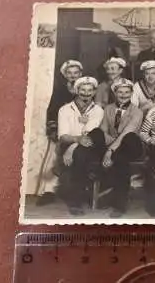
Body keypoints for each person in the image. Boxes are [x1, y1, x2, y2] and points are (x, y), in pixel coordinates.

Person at [38, 60, 83, 206]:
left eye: (76, 73)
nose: (73, 76)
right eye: (69, 73)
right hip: (61, 129)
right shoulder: (59, 91)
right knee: (53, 156)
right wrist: (53, 129)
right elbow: (51, 111)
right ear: (65, 75)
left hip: (79, 131)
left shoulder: (86, 89)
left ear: (81, 74)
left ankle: (75, 192)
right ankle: (48, 191)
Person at [57, 77, 105, 216]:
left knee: (97, 134)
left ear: (94, 92)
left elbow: (90, 134)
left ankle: (76, 200)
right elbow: (63, 136)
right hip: (73, 146)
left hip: (90, 146)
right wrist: (74, 143)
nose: (86, 93)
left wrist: (72, 149)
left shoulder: (98, 110)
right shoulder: (65, 109)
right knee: (80, 154)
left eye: (90, 90)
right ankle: (75, 202)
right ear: (77, 90)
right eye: (83, 90)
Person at [100, 78, 144, 217]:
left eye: (127, 92)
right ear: (115, 93)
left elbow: (127, 133)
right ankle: (119, 203)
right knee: (121, 159)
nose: (123, 95)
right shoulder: (108, 108)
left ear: (131, 93)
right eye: (120, 92)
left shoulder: (137, 111)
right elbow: (103, 131)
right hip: (118, 149)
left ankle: (116, 202)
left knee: (129, 139)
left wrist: (110, 151)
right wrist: (113, 147)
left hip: (133, 147)